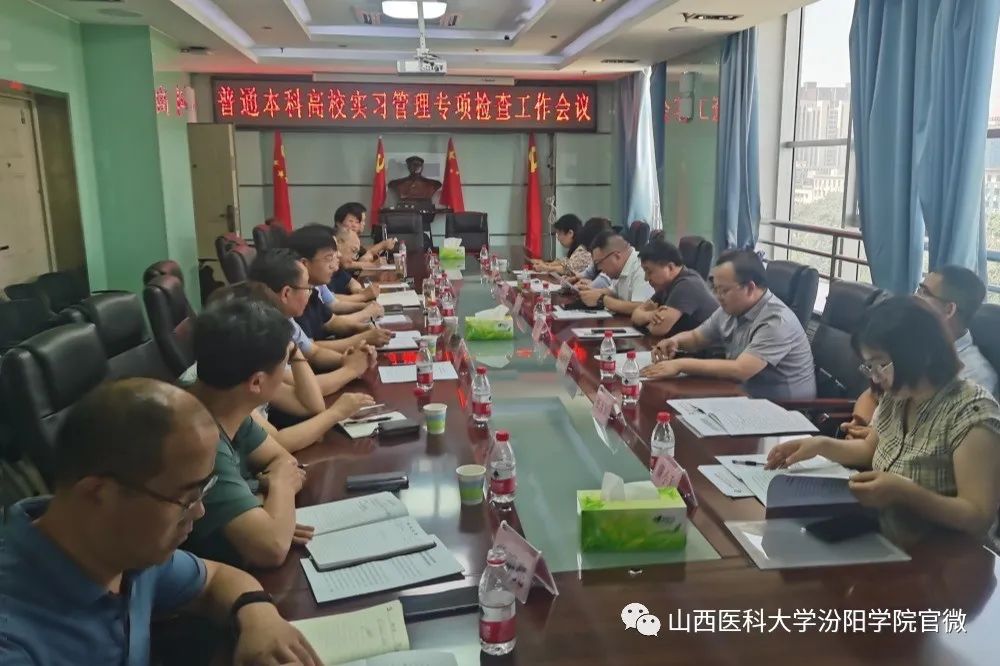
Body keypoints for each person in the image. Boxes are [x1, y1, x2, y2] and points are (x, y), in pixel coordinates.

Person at [0, 378, 320, 665]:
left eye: (203, 491)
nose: (199, 511)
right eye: (186, 498)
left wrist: (260, 619)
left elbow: (215, 579)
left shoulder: (119, 550)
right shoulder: (14, 641)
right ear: (99, 493)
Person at [767, 296, 1000, 545]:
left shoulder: (972, 411)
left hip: (942, 554)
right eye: (870, 366)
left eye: (881, 364)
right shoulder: (898, 395)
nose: (876, 378)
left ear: (918, 352)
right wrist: (820, 445)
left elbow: (978, 517)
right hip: (883, 534)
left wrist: (906, 493)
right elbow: (870, 449)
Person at [181, 299, 315, 568]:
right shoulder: (195, 438)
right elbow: (272, 548)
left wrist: (265, 508)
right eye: (284, 363)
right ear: (256, 382)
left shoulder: (223, 401)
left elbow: (284, 461)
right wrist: (278, 489)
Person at [202, 281, 375, 454]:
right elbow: (278, 444)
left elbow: (311, 406)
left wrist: (293, 349)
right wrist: (336, 412)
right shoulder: (233, 385)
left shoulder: (251, 365)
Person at [842, 265, 999, 441]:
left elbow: (934, 439)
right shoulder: (911, 348)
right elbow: (873, 394)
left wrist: (875, 440)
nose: (913, 297)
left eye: (924, 292)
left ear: (949, 310)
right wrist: (859, 424)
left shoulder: (974, 375)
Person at [642, 249, 817, 400]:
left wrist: (680, 365)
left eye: (724, 290)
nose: (718, 296)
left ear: (750, 288)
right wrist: (675, 341)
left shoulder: (776, 321)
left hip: (785, 409)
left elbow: (740, 369)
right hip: (743, 395)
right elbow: (696, 338)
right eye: (715, 289)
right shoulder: (730, 309)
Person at [248, 248, 373, 394]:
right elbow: (308, 390)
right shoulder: (262, 334)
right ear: (286, 293)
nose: (310, 292)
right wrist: (351, 370)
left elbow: (314, 352)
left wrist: (347, 359)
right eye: (307, 287)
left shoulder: (284, 318)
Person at [286, 224, 392, 343]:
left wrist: (362, 327)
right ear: (304, 264)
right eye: (329, 257)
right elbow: (311, 349)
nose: (338, 257)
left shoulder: (312, 291)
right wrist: (362, 335)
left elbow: (331, 321)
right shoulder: (294, 297)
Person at [630, 239, 719, 337]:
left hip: (709, 346)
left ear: (670, 267)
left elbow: (658, 329)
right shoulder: (666, 285)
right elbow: (635, 315)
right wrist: (650, 316)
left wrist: (644, 319)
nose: (646, 278)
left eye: (649, 272)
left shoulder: (686, 285)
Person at [577, 231, 654, 315]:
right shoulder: (619, 271)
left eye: (599, 263)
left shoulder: (641, 267)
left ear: (616, 256)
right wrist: (591, 291)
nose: (599, 268)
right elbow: (614, 292)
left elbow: (642, 307)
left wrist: (602, 299)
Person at [331, 227, 383, 302]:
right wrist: (363, 296)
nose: (354, 258)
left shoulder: (339, 267)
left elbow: (351, 282)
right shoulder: (325, 267)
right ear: (338, 242)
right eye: (353, 250)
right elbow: (328, 299)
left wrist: (358, 290)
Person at [568, 217, 614, 287]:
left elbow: (604, 280)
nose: (591, 255)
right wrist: (575, 278)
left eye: (591, 250)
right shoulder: (599, 258)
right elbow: (589, 272)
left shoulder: (612, 258)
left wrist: (591, 285)